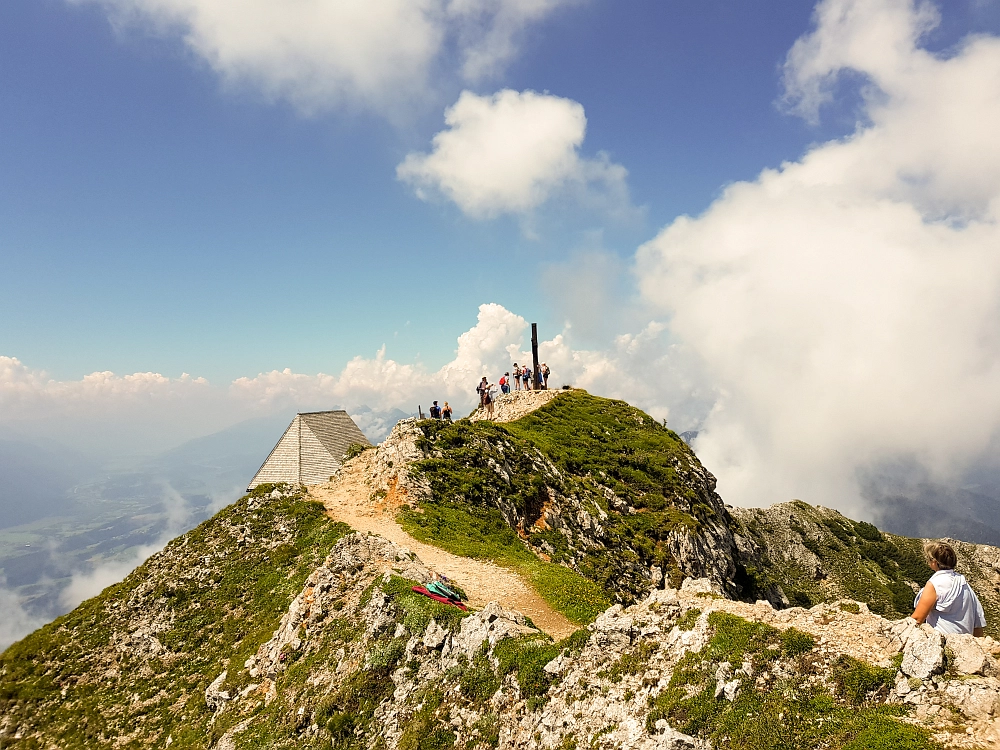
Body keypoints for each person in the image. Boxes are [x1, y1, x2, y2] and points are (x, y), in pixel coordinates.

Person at [911, 541, 986, 636]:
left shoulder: (934, 584)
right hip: (964, 643)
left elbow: (917, 619)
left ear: (934, 562)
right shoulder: (964, 583)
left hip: (942, 641)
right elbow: (977, 621)